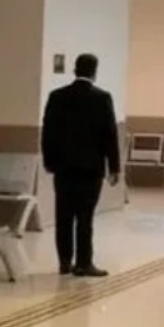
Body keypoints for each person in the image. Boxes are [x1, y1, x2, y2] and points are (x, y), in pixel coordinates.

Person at [40, 53, 120, 277]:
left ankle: (64, 262)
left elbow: (48, 132)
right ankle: (84, 263)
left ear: (75, 70)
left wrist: (49, 160)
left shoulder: (57, 96)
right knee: (85, 217)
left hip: (63, 168)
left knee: (63, 215)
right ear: (95, 72)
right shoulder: (102, 98)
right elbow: (110, 135)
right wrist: (114, 167)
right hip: (91, 168)